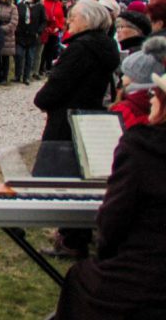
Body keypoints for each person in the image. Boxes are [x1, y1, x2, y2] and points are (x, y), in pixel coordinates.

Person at [55, 71, 166, 318]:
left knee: (79, 278)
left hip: (145, 279)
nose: (150, 98)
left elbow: (113, 221)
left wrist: (106, 254)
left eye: (155, 93)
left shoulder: (144, 147)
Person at [34, 0, 122, 257]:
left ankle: (70, 237)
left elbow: (59, 84)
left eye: (74, 17)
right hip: (88, 116)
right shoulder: (105, 46)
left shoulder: (81, 49)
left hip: (67, 120)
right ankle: (74, 233)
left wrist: (42, 99)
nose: (69, 21)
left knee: (64, 178)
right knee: (78, 178)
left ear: (89, 20)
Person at [15, 0, 47, 84]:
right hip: (20, 35)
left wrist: (38, 31)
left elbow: (44, 21)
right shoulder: (20, 5)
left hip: (32, 35)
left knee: (30, 57)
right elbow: (16, 18)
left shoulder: (39, 7)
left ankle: (26, 77)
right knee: (19, 55)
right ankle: (18, 75)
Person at [0, 0, 18, 84]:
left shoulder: (13, 8)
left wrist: (3, 29)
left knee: (5, 57)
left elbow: (14, 22)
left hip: (7, 35)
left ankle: (4, 77)